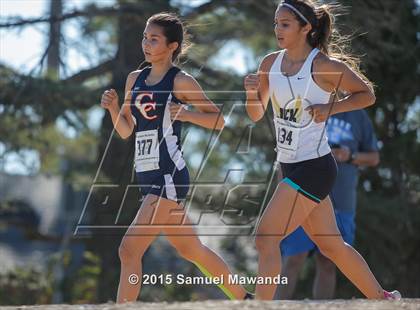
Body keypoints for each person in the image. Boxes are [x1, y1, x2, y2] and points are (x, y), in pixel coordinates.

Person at [243, 0, 400, 300]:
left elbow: (366, 95)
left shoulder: (323, 66)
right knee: (331, 246)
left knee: (266, 238)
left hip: (314, 167)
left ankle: (261, 305)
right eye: (276, 23)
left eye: (285, 24)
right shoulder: (269, 64)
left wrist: (331, 107)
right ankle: (384, 299)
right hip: (288, 165)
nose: (277, 29)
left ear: (306, 28)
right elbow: (254, 113)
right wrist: (252, 93)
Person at [100, 12, 250, 303]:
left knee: (129, 250)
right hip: (147, 177)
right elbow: (127, 130)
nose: (146, 43)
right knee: (191, 250)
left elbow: (218, 120)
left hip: (168, 176)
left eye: (154, 39)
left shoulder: (180, 81)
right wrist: (113, 108)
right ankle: (245, 299)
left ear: (172, 46)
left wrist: (186, 113)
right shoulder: (135, 79)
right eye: (145, 37)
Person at [279, 109, 380, 299]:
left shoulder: (358, 115)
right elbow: (284, 156)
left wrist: (349, 156)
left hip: (342, 202)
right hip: (303, 197)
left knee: (328, 261)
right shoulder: (309, 105)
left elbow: (374, 157)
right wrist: (281, 194)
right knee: (293, 258)